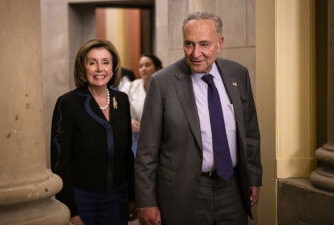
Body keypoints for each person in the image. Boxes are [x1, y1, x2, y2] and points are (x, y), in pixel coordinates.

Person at [134, 12, 262, 225]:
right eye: (189, 44)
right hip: (183, 192)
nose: (196, 53)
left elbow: (250, 132)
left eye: (204, 44)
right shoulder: (163, 83)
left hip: (232, 189)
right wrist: (146, 201)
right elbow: (147, 149)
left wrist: (254, 177)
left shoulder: (237, 74)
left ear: (220, 43)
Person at [51, 39, 137, 225]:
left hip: (117, 198)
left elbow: (127, 154)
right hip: (82, 199)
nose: (100, 69)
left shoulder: (121, 100)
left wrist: (132, 195)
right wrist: (71, 209)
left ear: (113, 67)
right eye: (92, 62)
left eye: (105, 62)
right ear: (83, 68)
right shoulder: (68, 103)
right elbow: (60, 162)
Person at [120, 54, 163, 156]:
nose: (143, 69)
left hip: (159, 137)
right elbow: (118, 109)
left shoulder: (164, 87)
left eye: (147, 65)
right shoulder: (131, 86)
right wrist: (128, 121)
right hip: (137, 138)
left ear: (157, 68)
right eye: (140, 66)